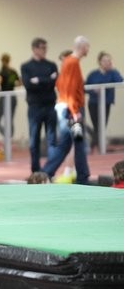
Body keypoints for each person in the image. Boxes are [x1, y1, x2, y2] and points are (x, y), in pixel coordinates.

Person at [43, 36, 91, 185]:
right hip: (71, 109)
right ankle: (83, 176)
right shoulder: (73, 63)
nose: (88, 50)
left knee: (66, 144)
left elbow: (60, 84)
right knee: (78, 142)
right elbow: (70, 90)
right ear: (82, 47)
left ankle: (46, 172)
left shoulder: (67, 62)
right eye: (87, 47)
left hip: (66, 107)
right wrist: (75, 111)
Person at [20, 38, 59, 173]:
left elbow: (54, 83)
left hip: (50, 106)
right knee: (33, 141)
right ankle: (35, 171)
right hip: (35, 107)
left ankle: (49, 170)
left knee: (52, 139)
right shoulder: (26, 67)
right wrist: (47, 79)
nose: (45, 50)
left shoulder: (51, 65)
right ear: (35, 49)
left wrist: (39, 80)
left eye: (46, 48)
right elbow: (28, 85)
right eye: (42, 48)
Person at [85, 51, 123, 151]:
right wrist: (94, 91)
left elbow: (120, 81)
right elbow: (85, 88)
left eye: (109, 60)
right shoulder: (93, 74)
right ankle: (95, 147)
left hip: (106, 103)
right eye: (105, 60)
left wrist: (113, 70)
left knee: (102, 126)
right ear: (100, 62)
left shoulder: (113, 73)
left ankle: (94, 146)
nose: (107, 62)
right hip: (94, 103)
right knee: (97, 126)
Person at [0, 53, 22, 138]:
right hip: (12, 97)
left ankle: (8, 136)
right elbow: (17, 83)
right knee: (9, 120)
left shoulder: (2, 72)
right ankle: (9, 137)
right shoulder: (12, 72)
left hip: (5, 97)